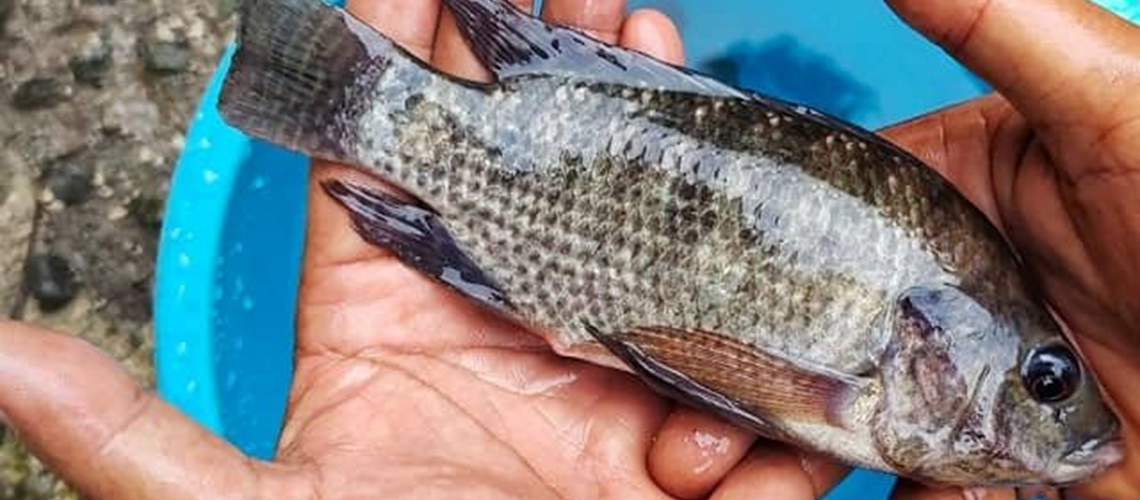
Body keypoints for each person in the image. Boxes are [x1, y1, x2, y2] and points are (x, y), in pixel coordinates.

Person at [0, 0, 1137, 498]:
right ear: (932, 335)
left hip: (567, 198)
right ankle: (352, 97)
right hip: (555, 183)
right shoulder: (863, 377)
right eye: (1046, 376)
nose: (1067, 414)